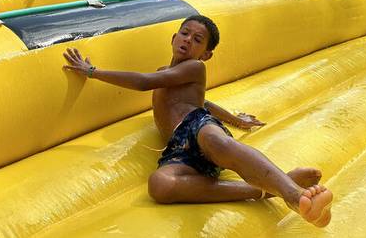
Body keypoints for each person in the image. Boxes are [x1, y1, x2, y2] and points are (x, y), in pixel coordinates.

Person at [62, 15, 333, 227]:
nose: (187, 40)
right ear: (173, 37)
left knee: (215, 140)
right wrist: (236, 118)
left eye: (197, 40)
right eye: (184, 33)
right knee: (160, 185)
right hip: (178, 150)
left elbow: (147, 84)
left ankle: (294, 195)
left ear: (206, 54)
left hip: (197, 126)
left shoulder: (194, 67)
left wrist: (92, 72)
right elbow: (206, 100)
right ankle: (260, 189)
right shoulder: (166, 71)